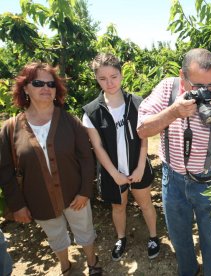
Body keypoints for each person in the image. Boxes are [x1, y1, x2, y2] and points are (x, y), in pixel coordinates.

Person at [138, 48, 211, 275]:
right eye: (197, 86)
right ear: (182, 76)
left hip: (209, 181)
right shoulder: (169, 88)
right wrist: (173, 112)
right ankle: (188, 271)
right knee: (179, 238)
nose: (205, 92)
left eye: (210, 85)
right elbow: (142, 129)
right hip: (173, 180)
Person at [0, 62, 102, 276]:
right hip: (39, 199)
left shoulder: (69, 121)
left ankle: (92, 261)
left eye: (51, 84)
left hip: (75, 195)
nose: (46, 88)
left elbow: (86, 157)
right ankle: (65, 266)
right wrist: (17, 205)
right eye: (38, 83)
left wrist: (85, 191)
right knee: (55, 235)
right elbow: (5, 171)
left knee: (84, 229)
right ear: (25, 88)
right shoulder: (11, 128)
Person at [82, 53, 160, 261]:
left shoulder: (137, 103)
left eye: (114, 76)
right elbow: (97, 146)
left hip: (138, 166)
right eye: (102, 78)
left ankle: (153, 236)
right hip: (112, 171)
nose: (109, 83)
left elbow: (144, 137)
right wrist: (114, 174)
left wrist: (141, 166)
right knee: (118, 206)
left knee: (145, 203)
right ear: (96, 79)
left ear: (121, 75)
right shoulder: (91, 112)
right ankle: (121, 238)